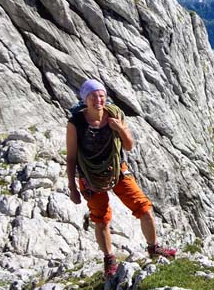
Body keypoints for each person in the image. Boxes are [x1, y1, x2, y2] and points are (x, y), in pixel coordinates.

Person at [66, 79, 176, 278]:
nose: (98, 100)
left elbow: (128, 146)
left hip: (117, 170)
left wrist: (121, 129)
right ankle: (109, 260)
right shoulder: (76, 124)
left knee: (144, 208)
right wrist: (72, 187)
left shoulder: (114, 115)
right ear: (85, 99)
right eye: (93, 96)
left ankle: (154, 248)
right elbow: (72, 157)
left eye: (101, 95)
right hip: (90, 177)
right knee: (101, 220)